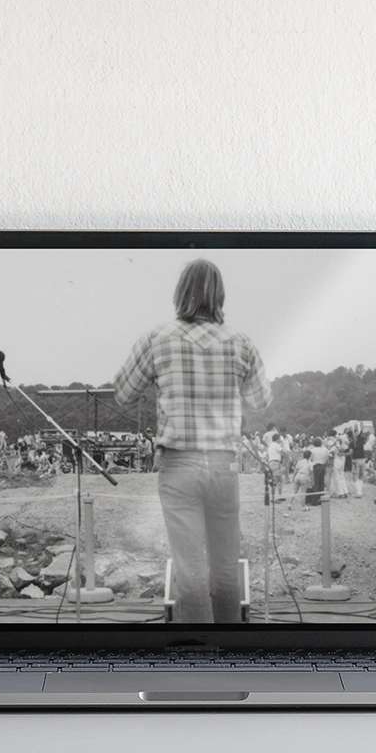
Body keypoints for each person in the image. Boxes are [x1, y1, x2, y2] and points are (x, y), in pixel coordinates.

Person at [114, 259, 270, 624]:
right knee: (226, 568)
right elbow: (261, 400)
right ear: (219, 294)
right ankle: (229, 653)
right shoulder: (240, 342)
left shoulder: (157, 338)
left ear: (180, 292)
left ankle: (198, 657)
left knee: (191, 569)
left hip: (179, 462)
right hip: (223, 462)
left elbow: (123, 392)